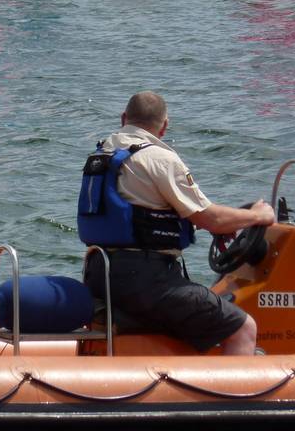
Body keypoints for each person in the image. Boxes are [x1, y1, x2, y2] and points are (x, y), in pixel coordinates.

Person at [80, 91, 275, 355]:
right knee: (243, 328)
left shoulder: (102, 153)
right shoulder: (159, 159)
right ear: (164, 126)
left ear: (124, 118)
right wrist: (258, 216)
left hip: (100, 276)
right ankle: (233, 394)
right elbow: (212, 218)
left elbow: (140, 214)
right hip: (147, 283)